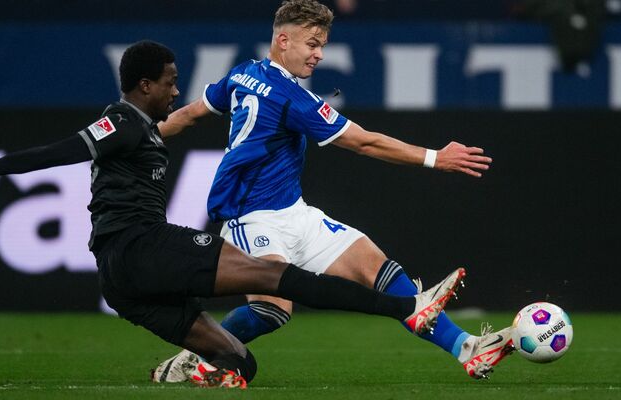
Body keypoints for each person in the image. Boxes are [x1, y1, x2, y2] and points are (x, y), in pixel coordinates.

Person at [0, 40, 467, 388]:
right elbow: (62, 150)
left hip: (121, 284)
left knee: (241, 364)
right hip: (142, 246)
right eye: (168, 81)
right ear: (145, 86)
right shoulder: (122, 122)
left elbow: (180, 119)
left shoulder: (145, 131)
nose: (176, 88)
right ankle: (406, 308)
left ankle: (192, 366)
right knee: (277, 278)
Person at [158, 0, 513, 379]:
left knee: (375, 266)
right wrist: (434, 157)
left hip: (294, 212)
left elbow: (189, 114)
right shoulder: (293, 98)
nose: (319, 55)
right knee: (273, 310)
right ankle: (195, 355)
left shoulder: (243, 73)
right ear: (283, 40)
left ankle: (467, 348)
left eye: (322, 46)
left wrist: (141, 135)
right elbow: (364, 142)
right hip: (250, 218)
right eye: (312, 44)